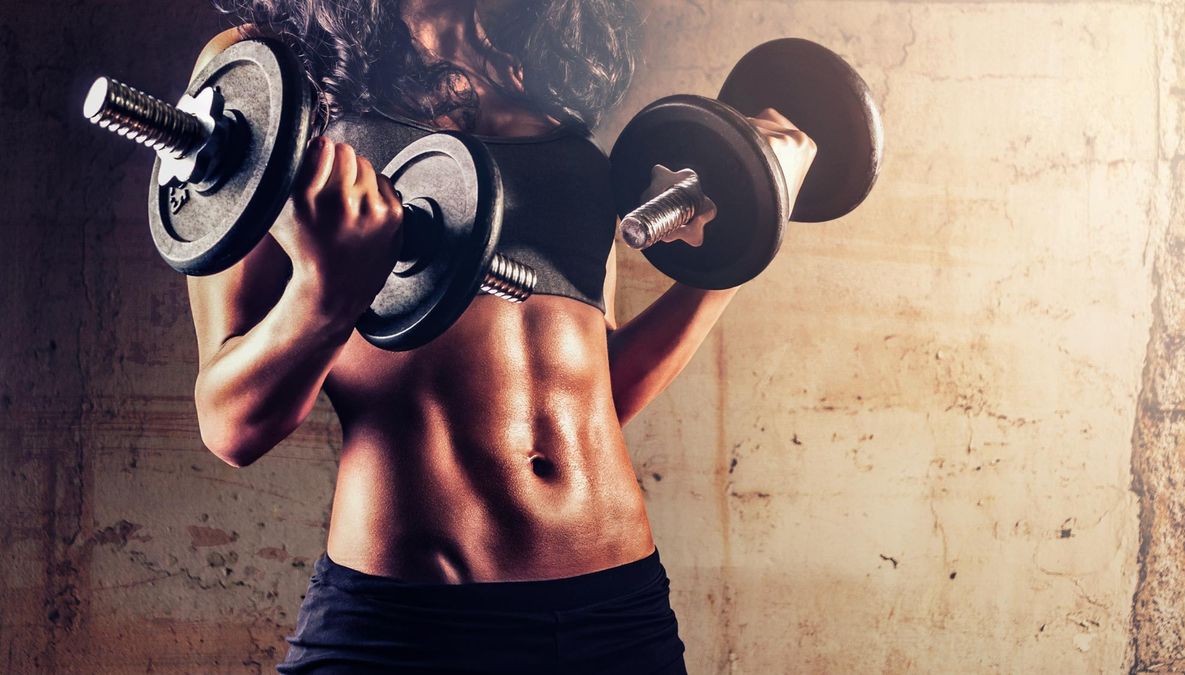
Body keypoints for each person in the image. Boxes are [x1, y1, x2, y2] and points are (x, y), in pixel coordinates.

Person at [187, 1, 816, 672]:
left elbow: (600, 390)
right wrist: (323, 295)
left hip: (613, 613)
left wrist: (749, 231)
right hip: (408, 626)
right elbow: (230, 425)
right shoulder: (276, 68)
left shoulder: (546, 65)